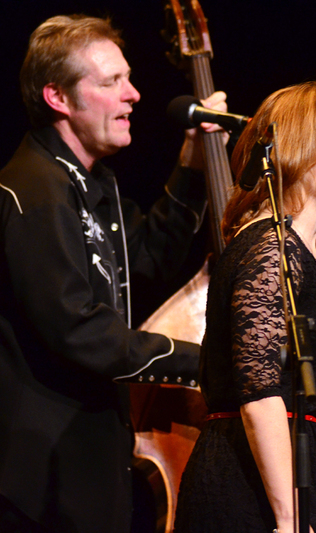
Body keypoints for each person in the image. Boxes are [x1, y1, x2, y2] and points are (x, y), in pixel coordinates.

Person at [0, 14, 227, 533]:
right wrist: (208, 361)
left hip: (89, 460)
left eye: (127, 77)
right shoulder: (34, 193)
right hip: (43, 479)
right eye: (111, 82)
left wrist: (194, 162)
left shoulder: (90, 181)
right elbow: (76, 328)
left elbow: (145, 262)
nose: (135, 95)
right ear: (58, 97)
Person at [173, 81, 316, 533]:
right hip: (247, 493)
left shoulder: (301, 253)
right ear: (298, 152)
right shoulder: (268, 248)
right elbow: (260, 391)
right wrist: (291, 519)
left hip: (290, 486)